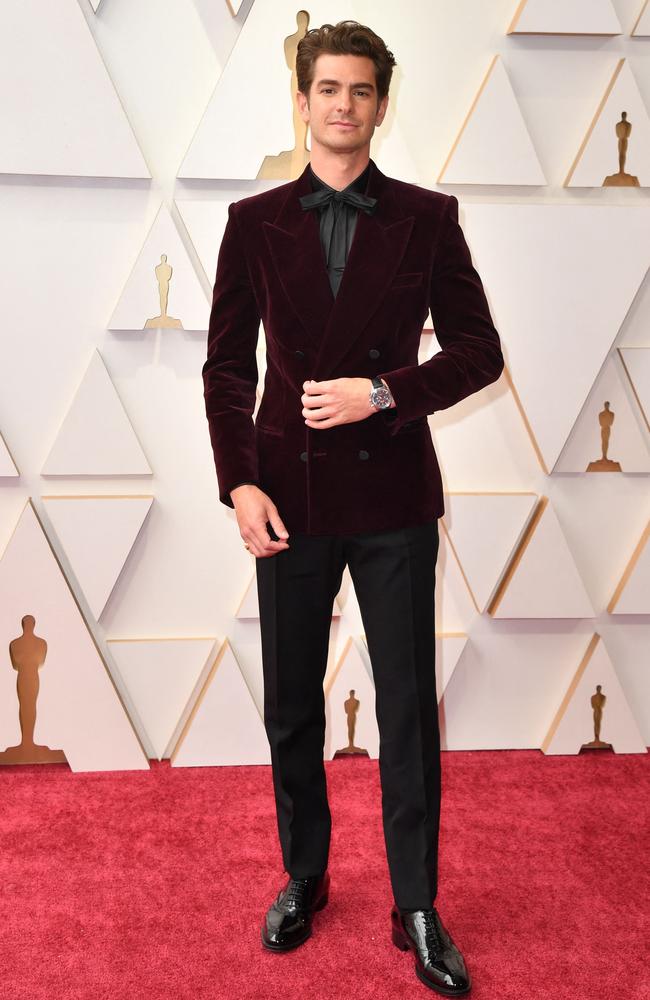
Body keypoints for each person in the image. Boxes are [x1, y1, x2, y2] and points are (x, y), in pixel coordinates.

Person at [202, 19, 503, 997]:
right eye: (326, 88)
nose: (342, 104)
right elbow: (223, 366)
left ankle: (415, 902)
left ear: (379, 102)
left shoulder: (426, 217)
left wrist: (383, 391)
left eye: (361, 90)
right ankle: (304, 874)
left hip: (390, 493)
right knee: (291, 699)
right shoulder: (252, 223)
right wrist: (238, 481)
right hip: (284, 496)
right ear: (300, 100)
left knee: (406, 704)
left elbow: (476, 350)